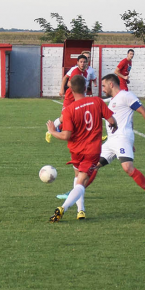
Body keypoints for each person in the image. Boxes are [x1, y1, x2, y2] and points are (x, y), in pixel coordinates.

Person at [59, 74, 145, 203]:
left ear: (111, 84)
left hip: (121, 138)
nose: (102, 89)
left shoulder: (126, 95)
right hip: (112, 141)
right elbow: (126, 118)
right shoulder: (113, 100)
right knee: (92, 167)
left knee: (127, 167)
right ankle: (74, 192)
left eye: (103, 86)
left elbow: (142, 110)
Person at [46, 75, 117, 221]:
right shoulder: (97, 101)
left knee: (77, 177)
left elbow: (66, 135)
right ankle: (63, 208)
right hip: (91, 151)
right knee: (81, 182)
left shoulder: (69, 110)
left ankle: (81, 210)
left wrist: (53, 131)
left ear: (70, 89)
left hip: (76, 151)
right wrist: (114, 126)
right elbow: (111, 120)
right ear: (86, 88)